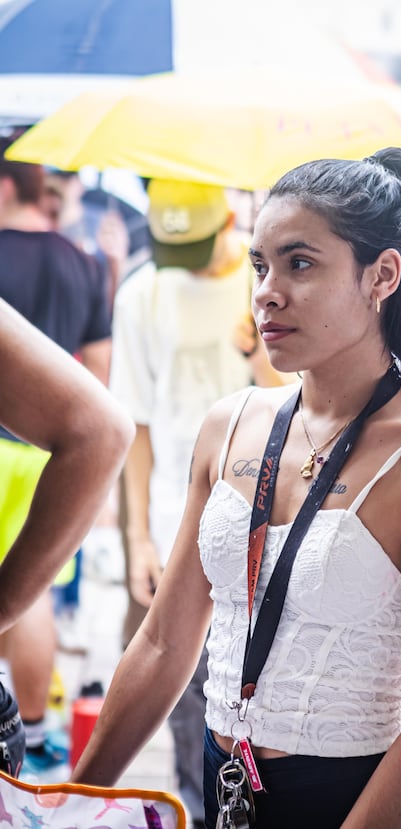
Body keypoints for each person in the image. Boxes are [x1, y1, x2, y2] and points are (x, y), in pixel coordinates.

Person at [72, 147, 401, 829]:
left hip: (364, 801)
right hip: (227, 787)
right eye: (260, 264)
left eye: (301, 264)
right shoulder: (230, 424)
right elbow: (162, 643)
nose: (267, 289)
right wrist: (70, 800)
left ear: (382, 275)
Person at [110, 178, 287, 825]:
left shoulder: (268, 279)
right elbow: (137, 423)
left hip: (266, 519)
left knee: (257, 685)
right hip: (172, 514)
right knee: (185, 690)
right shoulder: (143, 292)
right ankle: (197, 805)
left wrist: (259, 353)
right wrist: (139, 539)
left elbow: (297, 394)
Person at [0, 143, 113, 777]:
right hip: (48, 454)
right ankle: (37, 734)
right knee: (30, 588)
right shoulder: (83, 263)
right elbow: (98, 378)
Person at [0, 299, 133, 637]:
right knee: (38, 603)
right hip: (40, 448)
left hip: (21, 447)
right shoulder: (82, 265)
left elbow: (103, 431)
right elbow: (98, 363)